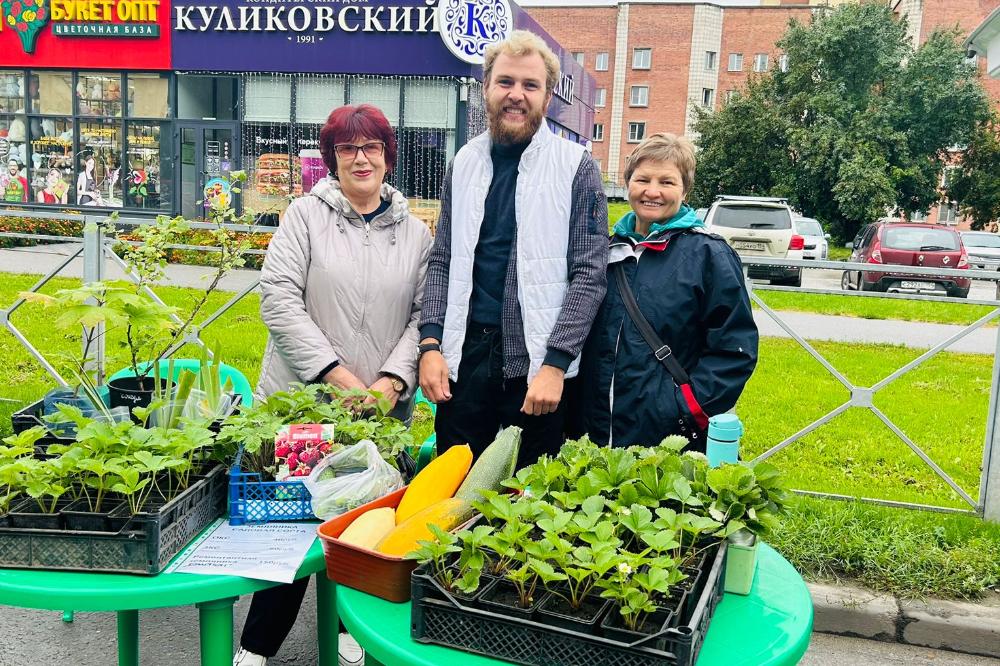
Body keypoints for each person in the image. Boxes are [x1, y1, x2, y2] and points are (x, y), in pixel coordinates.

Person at [233, 104, 431, 666]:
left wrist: (392, 381)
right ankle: (256, 648)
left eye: (371, 147)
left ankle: (352, 634)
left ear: (389, 156)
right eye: (348, 148)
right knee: (294, 528)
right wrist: (338, 377)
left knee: (361, 523)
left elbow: (425, 316)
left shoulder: (416, 234)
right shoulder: (303, 216)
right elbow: (278, 300)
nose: (361, 158)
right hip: (303, 404)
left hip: (379, 410)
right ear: (332, 159)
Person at [418, 30, 608, 469]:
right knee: (454, 491)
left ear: (547, 97)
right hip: (465, 362)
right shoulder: (464, 162)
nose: (516, 95)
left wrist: (556, 363)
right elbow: (442, 260)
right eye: (505, 82)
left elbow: (589, 274)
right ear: (486, 87)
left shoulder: (576, 167)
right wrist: (430, 346)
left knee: (530, 502)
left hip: (536, 369)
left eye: (530, 85)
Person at [571, 133, 758, 450]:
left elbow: (733, 350)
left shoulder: (709, 256)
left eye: (667, 182)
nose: (652, 191)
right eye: (642, 179)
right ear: (628, 183)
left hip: (669, 436)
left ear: (685, 190)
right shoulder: (602, 252)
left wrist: (687, 407)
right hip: (594, 431)